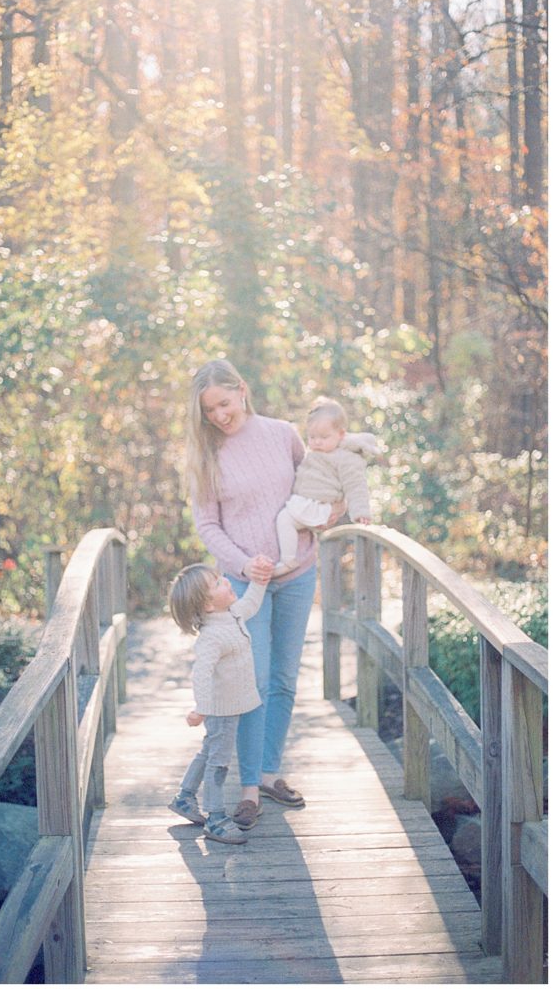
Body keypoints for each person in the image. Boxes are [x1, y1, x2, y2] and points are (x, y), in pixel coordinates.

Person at [186, 359, 346, 831]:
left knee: (283, 678)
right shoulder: (205, 455)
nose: (218, 415)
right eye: (208, 410)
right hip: (241, 584)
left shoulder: (281, 434)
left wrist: (332, 510)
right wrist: (240, 563)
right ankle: (250, 787)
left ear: (241, 389)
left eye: (223, 402)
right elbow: (207, 526)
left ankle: (272, 773)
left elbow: (318, 480)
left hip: (298, 574)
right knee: (250, 685)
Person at [167, 562, 270, 844]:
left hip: (232, 705)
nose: (226, 581)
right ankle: (215, 818)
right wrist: (201, 708)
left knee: (208, 751)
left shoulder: (232, 614)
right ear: (208, 606)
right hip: (221, 710)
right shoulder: (212, 636)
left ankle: (185, 797)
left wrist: (260, 581)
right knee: (219, 763)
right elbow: (201, 673)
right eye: (217, 584)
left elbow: (251, 602)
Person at [273, 397, 381, 576]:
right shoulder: (319, 452)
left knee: (284, 520)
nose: (316, 442)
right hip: (308, 502)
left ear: (341, 434)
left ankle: (288, 560)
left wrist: (360, 512)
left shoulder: (346, 458)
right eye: (312, 437)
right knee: (285, 519)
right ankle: (289, 558)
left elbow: (356, 486)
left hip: (319, 507)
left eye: (324, 437)